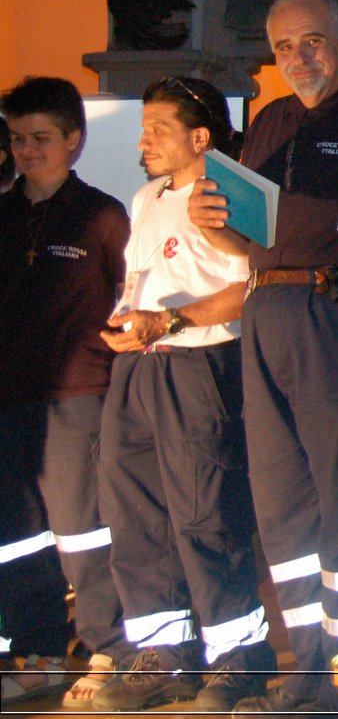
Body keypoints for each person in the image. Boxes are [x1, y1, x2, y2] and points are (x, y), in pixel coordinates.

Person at [189, 0, 338, 711]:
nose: (300, 57)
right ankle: (307, 673)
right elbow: (256, 233)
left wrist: (303, 225)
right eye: (285, 46)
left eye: (313, 41)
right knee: (282, 505)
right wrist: (214, 224)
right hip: (267, 309)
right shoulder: (267, 121)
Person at [89, 77, 272, 711]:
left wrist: (170, 321)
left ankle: (236, 660)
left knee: (205, 514)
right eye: (143, 128)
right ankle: (167, 656)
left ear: (201, 136)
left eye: (157, 129)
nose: (144, 141)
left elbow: (253, 288)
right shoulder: (145, 198)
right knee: (135, 511)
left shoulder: (226, 196)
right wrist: (129, 321)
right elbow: (145, 277)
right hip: (138, 369)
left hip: (199, 366)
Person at [0, 77, 131, 707]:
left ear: (74, 141)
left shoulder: (102, 215)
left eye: (41, 139)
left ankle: (108, 647)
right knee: (17, 531)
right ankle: (41, 651)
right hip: (8, 399)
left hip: (80, 394)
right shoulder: (1, 214)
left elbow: (124, 302)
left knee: (83, 529)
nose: (27, 151)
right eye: (18, 139)